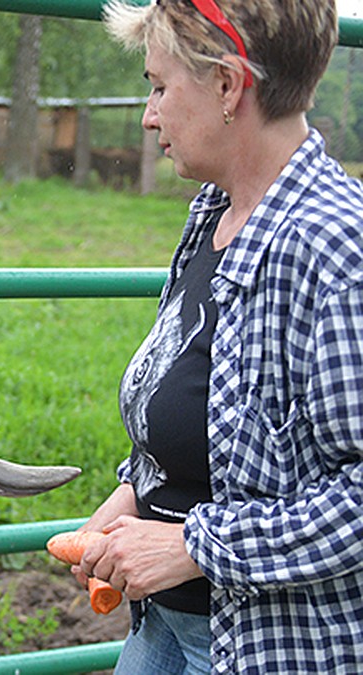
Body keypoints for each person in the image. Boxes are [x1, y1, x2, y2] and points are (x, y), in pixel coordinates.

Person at [74, 1, 363, 673]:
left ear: (229, 86)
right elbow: (198, 409)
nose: (149, 115)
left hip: (271, 647)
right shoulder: (215, 214)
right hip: (166, 627)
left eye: (159, 85)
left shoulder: (338, 250)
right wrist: (133, 495)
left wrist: (191, 547)